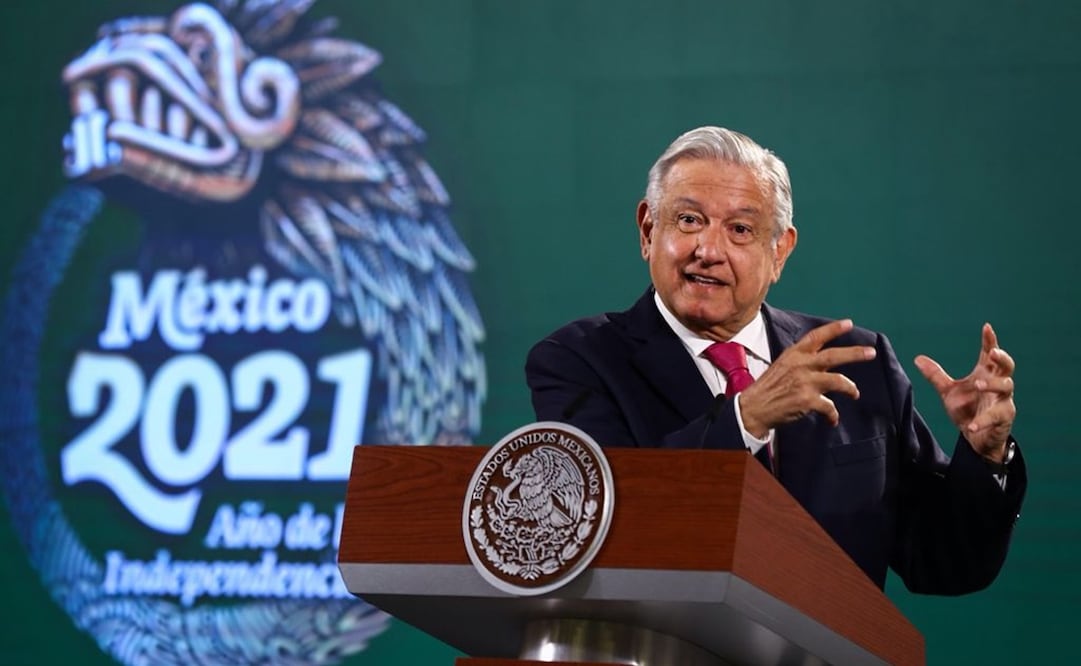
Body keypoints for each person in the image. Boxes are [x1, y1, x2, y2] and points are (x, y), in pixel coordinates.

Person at [525, 126, 1026, 594]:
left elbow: (945, 561)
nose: (708, 250)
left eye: (740, 229)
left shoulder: (856, 365)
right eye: (689, 220)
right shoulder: (578, 360)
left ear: (780, 251)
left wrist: (983, 456)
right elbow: (608, 522)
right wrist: (746, 419)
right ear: (647, 230)